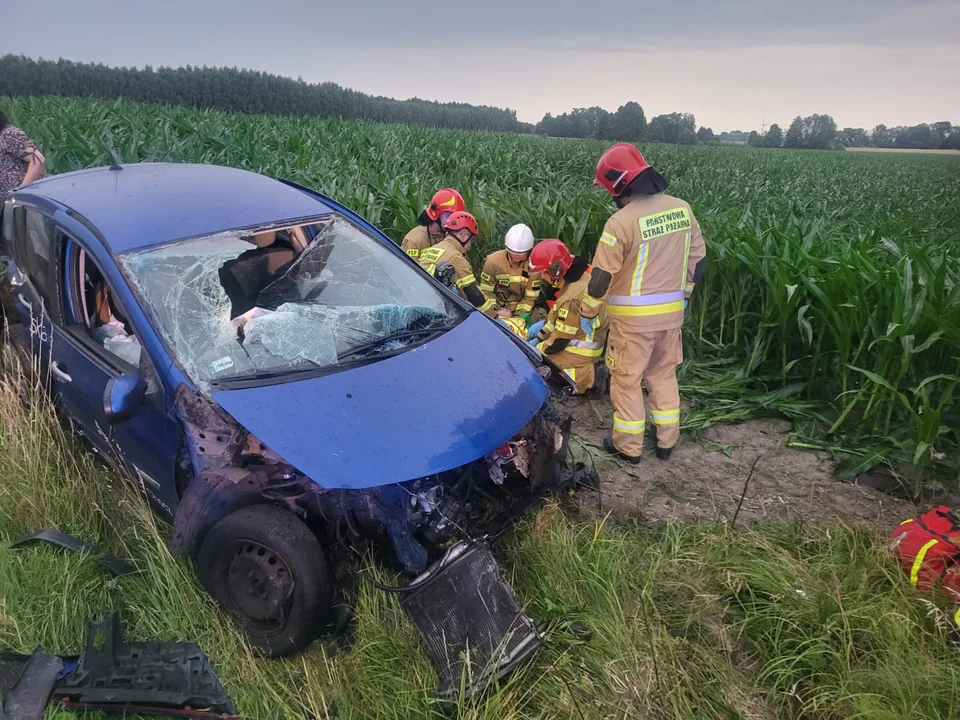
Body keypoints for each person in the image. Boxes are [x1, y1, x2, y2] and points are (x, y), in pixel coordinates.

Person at [580, 143, 706, 463]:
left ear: (619, 184)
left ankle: (628, 447)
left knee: (626, 381)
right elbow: (699, 259)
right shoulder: (682, 209)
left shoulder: (620, 223)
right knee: (663, 375)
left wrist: (588, 312)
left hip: (632, 323)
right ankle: (667, 441)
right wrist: (686, 293)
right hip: (672, 316)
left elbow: (600, 279)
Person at [526, 239, 606, 395]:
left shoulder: (571, 298)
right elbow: (555, 322)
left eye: (543, 272)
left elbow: (558, 342)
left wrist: (536, 350)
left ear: (556, 269)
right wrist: (540, 336)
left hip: (582, 350)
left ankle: (592, 377)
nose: (542, 277)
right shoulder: (577, 279)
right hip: (587, 338)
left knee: (543, 370)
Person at [418, 211, 496, 316]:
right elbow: (474, 295)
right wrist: (494, 317)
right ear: (463, 236)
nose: (470, 246)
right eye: (471, 240)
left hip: (422, 301)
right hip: (437, 306)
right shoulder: (455, 258)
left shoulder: (433, 249)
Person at [479, 223, 542, 322]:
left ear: (529, 251)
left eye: (521, 254)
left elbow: (529, 299)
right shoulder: (492, 262)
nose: (516, 257)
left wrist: (516, 317)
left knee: (540, 317)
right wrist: (495, 312)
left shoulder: (534, 268)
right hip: (496, 308)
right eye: (513, 253)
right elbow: (486, 291)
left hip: (519, 309)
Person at [401, 188, 465, 258]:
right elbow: (408, 267)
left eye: (456, 216)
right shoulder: (414, 240)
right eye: (449, 215)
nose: (453, 220)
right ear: (436, 213)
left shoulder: (450, 238)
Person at [0, 111, 46, 195]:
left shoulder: (8, 134)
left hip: (28, 199)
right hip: (8, 204)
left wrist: (21, 191)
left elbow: (38, 160)